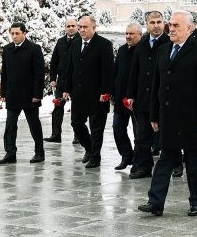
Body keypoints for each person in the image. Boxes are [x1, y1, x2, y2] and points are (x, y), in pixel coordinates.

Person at [139, 11, 197, 217]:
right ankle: (155, 202)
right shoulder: (163, 50)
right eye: (170, 25)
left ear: (189, 28)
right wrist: (155, 115)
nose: (171, 29)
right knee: (165, 160)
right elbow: (157, 84)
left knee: (194, 162)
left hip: (192, 117)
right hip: (169, 116)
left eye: (176, 26)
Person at [59, 14, 114, 168]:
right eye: (80, 27)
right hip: (79, 94)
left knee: (96, 129)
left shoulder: (104, 45)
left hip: (98, 95)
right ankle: (89, 149)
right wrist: (67, 89)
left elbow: (108, 71)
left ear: (94, 28)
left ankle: (95, 157)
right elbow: (71, 68)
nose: (81, 30)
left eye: (85, 27)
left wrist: (106, 91)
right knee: (76, 123)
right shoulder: (76, 44)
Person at [126, 11, 170, 179]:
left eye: (159, 21)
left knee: (168, 135)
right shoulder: (141, 45)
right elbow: (134, 72)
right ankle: (144, 167)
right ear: (147, 24)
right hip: (144, 98)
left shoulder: (169, 43)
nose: (156, 25)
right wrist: (130, 94)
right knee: (142, 135)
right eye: (152, 22)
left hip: (164, 98)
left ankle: (176, 164)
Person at [0, 22, 45, 164]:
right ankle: (10, 153)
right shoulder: (7, 49)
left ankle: (39, 152)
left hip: (30, 95)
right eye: (12, 33)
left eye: (17, 33)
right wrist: (3, 92)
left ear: (24, 33)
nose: (14, 36)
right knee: (10, 125)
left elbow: (39, 73)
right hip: (12, 94)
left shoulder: (34, 49)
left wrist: (37, 94)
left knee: (34, 124)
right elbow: (4, 73)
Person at [112, 23, 142, 170]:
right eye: (127, 33)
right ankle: (126, 155)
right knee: (117, 128)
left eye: (132, 34)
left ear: (140, 35)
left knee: (139, 133)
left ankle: (137, 161)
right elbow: (116, 72)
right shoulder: (122, 50)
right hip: (120, 98)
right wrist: (113, 92)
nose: (128, 36)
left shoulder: (143, 50)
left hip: (137, 99)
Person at [45, 18, 78, 143]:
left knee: (77, 109)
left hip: (76, 82)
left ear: (77, 27)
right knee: (58, 108)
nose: (70, 28)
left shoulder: (81, 41)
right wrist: (53, 78)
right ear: (65, 27)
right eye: (68, 26)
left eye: (73, 26)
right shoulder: (60, 42)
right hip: (62, 82)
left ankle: (78, 136)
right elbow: (54, 61)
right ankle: (56, 135)